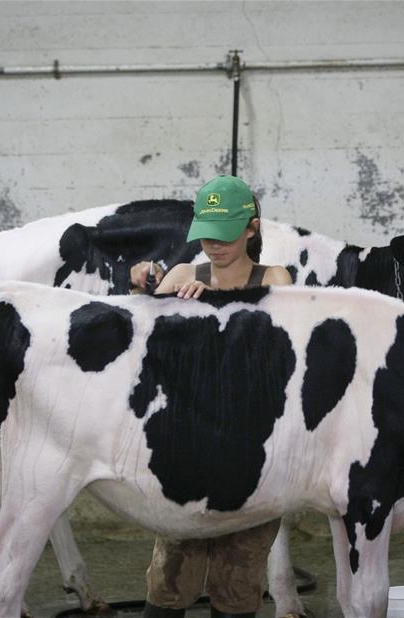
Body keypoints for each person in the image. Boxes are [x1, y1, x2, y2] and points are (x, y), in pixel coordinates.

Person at [130, 175, 292, 618]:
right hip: (189, 449)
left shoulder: (275, 278)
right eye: (205, 235)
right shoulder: (183, 275)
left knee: (239, 581)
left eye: (223, 236)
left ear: (252, 229)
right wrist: (146, 290)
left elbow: (276, 355)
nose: (213, 246)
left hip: (253, 456)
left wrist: (215, 304)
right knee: (169, 578)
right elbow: (146, 347)